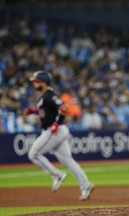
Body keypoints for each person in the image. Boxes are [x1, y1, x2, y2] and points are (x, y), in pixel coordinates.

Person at [24, 70, 94, 200]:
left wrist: (57, 123)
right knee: (67, 160)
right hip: (57, 131)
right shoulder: (44, 97)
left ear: (43, 83)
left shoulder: (49, 95)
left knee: (33, 154)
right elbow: (47, 111)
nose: (34, 84)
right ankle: (85, 184)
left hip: (53, 130)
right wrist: (34, 111)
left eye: (36, 82)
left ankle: (56, 175)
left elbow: (64, 107)